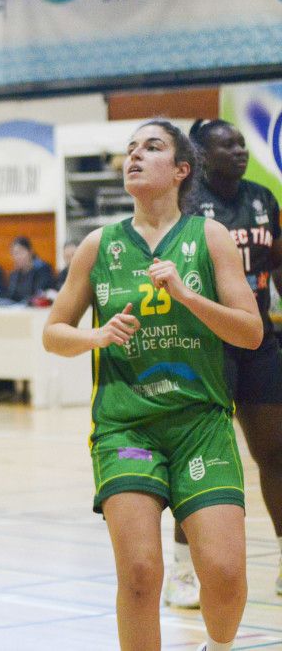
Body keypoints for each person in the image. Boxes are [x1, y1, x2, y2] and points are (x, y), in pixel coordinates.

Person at [43, 120, 262, 651]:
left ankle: (221, 646)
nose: (135, 156)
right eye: (130, 149)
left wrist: (190, 299)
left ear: (181, 170)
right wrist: (95, 336)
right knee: (141, 574)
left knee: (227, 574)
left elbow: (251, 332)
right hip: (126, 426)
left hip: (199, 423)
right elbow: (54, 333)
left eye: (152, 147)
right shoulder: (100, 245)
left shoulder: (209, 238)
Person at [163, 118, 282, 608]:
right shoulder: (187, 207)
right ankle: (183, 570)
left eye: (240, 142)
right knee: (197, 459)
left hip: (259, 340)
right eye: (226, 145)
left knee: (275, 453)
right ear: (200, 156)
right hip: (204, 344)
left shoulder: (262, 198)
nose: (239, 150)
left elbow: (278, 265)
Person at [6, 236, 55, 302]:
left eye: (20, 252)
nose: (17, 257)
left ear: (30, 251)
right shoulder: (14, 274)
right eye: (14, 254)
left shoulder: (43, 269)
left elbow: (40, 294)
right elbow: (10, 296)